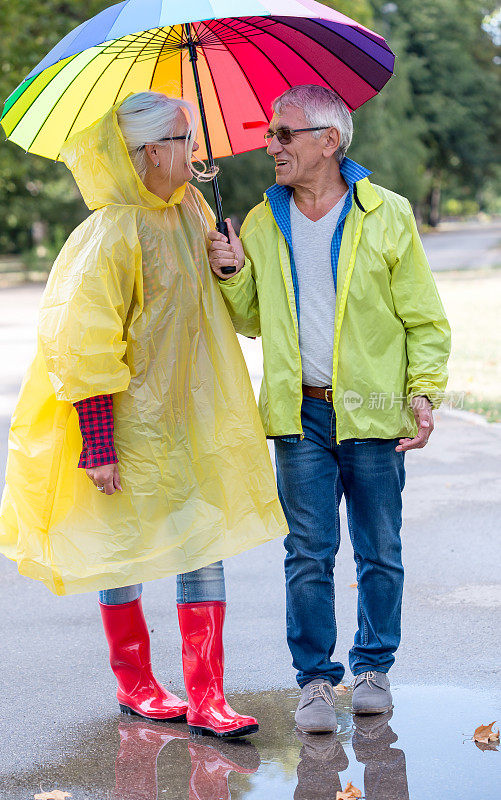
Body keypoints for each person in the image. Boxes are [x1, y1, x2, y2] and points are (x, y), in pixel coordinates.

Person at [0, 91, 288, 738]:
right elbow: (82, 342)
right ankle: (137, 685)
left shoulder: (193, 210)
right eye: (185, 138)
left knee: (203, 542)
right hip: (122, 427)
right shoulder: (110, 232)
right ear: (152, 152)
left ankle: (208, 697)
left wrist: (231, 271)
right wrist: (98, 443)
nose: (195, 149)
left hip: (193, 417)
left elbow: (230, 314)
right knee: (122, 554)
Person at [208, 84, 451, 734]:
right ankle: (315, 680)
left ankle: (372, 669)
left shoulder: (386, 213)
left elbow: (424, 318)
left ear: (328, 141)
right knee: (308, 553)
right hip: (299, 415)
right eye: (271, 135)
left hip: (372, 411)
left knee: (378, 548)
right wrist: (232, 275)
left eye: (284, 134)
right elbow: (255, 320)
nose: (271, 146)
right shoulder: (262, 221)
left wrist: (422, 390)